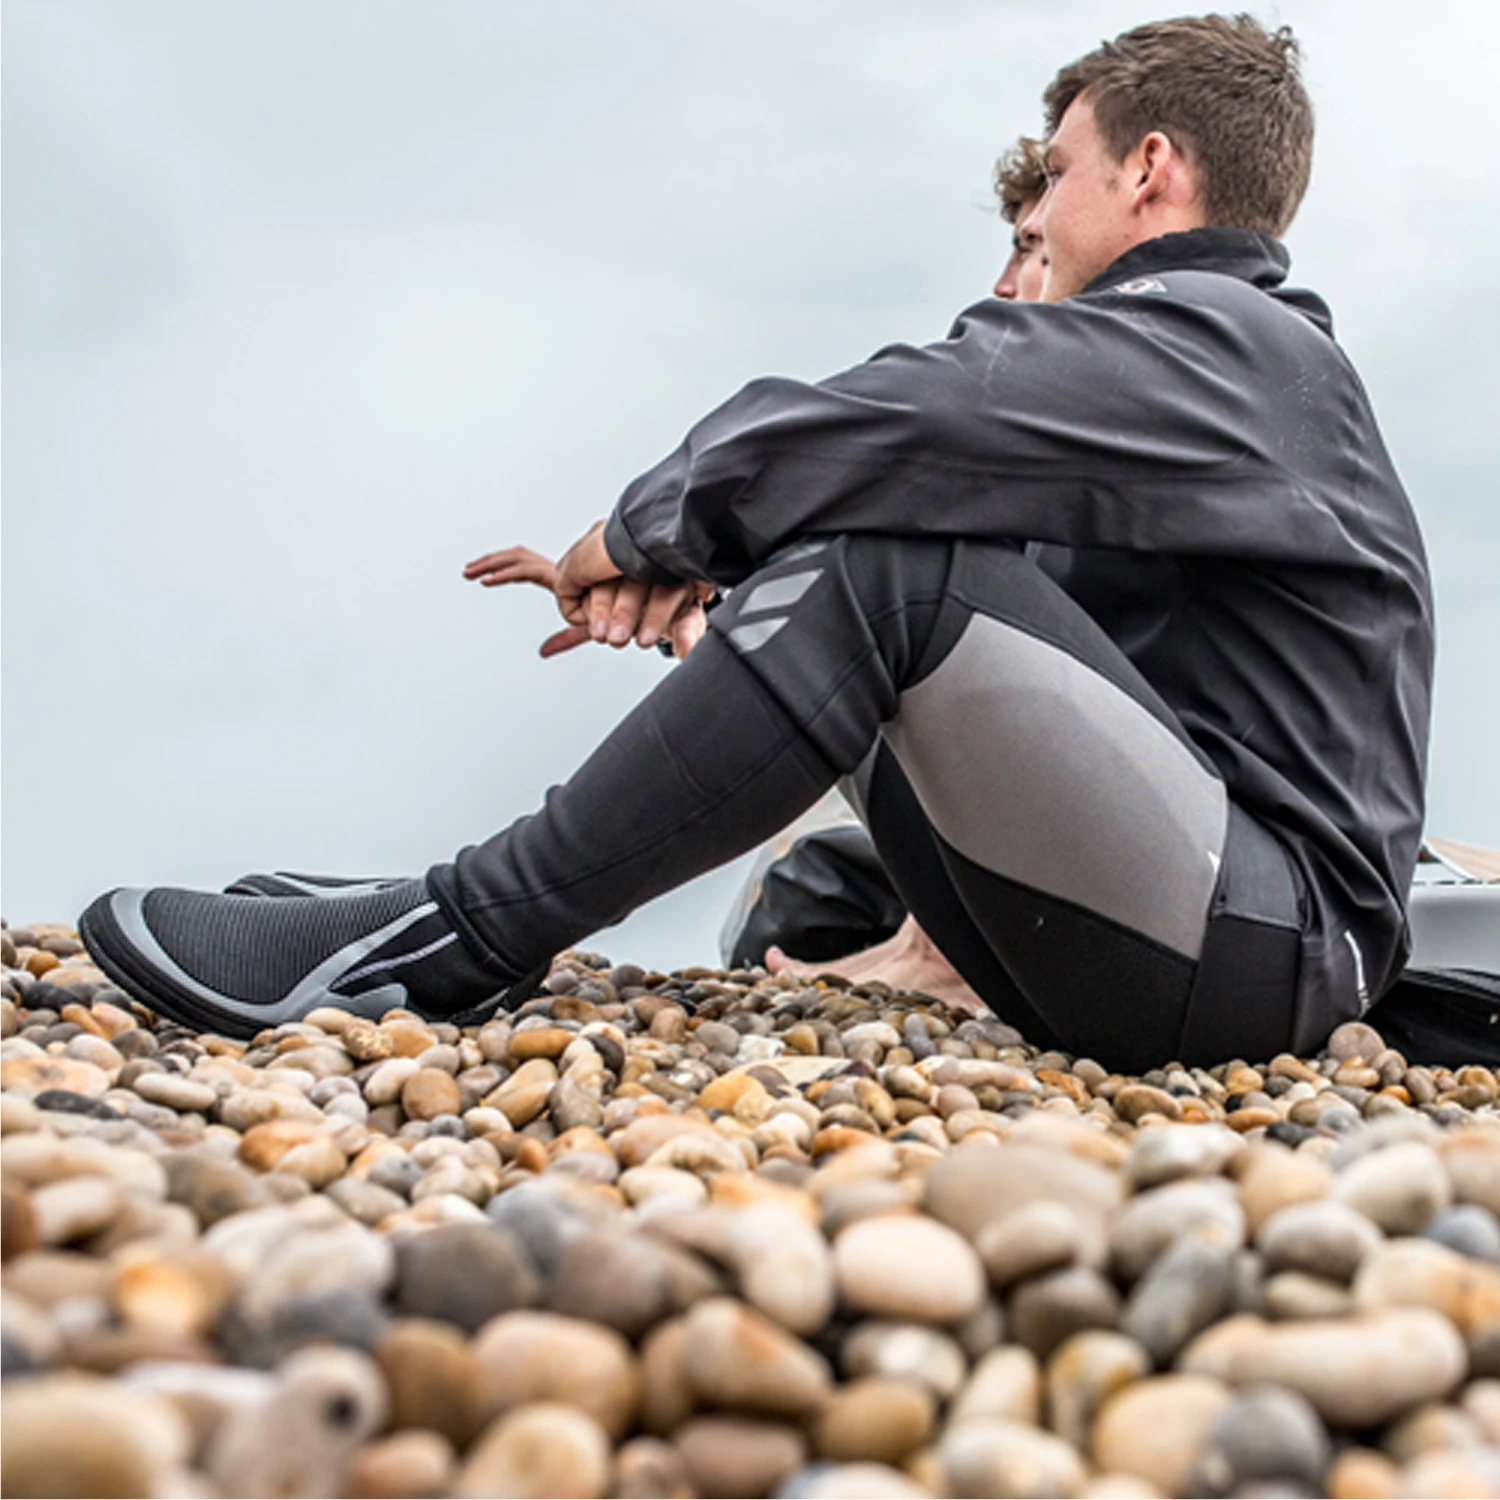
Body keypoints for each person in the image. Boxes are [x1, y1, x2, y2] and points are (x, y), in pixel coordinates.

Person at [80, 14, 1433, 1074]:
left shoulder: (1246, 351)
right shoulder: (1204, 385)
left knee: (890, 568)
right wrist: (738, 589)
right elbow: (956, 574)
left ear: (1150, 170)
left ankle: (455, 932)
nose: (1042, 210)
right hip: (1187, 920)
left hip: (1265, 943)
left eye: (1063, 170)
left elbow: (924, 410)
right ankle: (432, 905)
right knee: (873, 544)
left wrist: (642, 527)